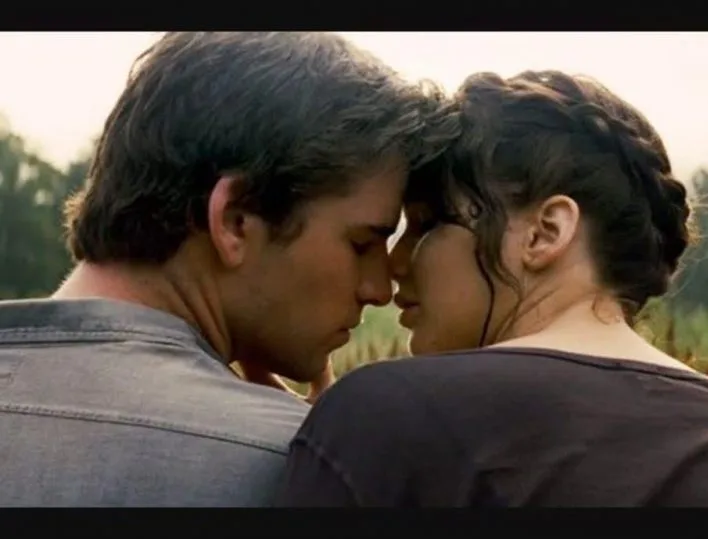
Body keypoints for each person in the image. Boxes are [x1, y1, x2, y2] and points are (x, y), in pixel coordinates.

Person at [276, 70, 708, 507]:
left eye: (427, 225)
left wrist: (335, 444)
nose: (395, 266)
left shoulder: (387, 417)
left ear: (545, 233)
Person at [0, 32, 457, 506]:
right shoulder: (298, 470)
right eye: (361, 244)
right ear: (235, 221)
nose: (380, 289)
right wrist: (336, 467)